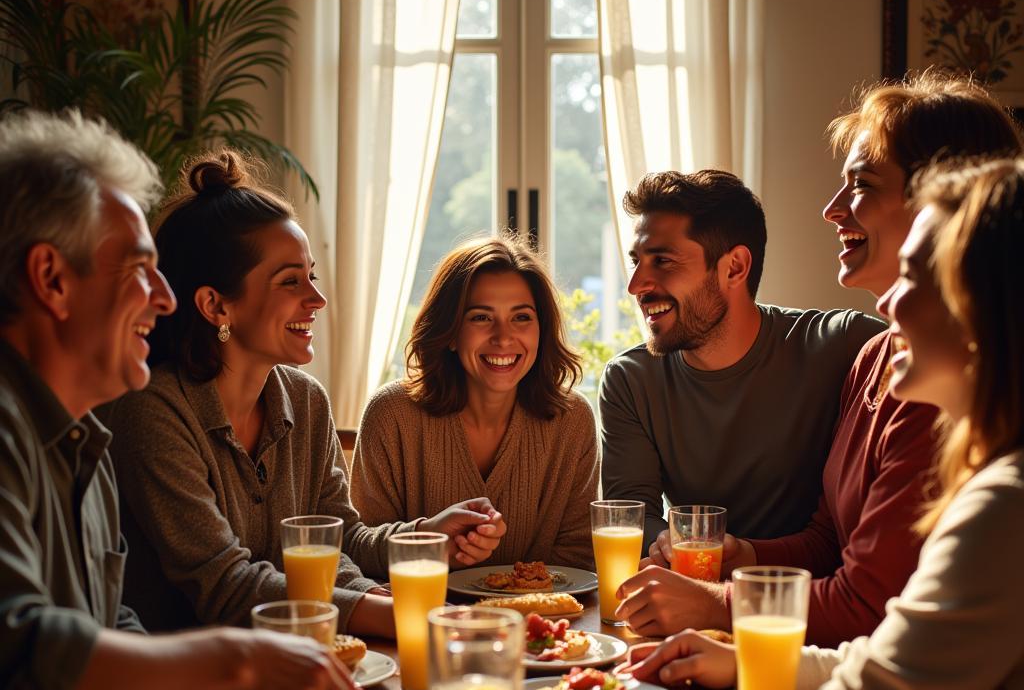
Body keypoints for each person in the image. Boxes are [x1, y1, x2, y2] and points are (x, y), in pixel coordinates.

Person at [625, 157, 1024, 690]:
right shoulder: (977, 468)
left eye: (919, 279)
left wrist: (724, 612)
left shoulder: (1004, 507)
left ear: (984, 307)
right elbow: (888, 654)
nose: (891, 305)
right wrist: (751, 654)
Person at [0, 110, 360, 690]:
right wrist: (239, 662)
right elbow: (23, 665)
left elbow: (117, 623)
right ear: (51, 280)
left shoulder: (83, 433)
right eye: (139, 271)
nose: (163, 299)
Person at [621, 74, 1022, 644]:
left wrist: (716, 603)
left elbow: (866, 604)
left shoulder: (945, 384)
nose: (832, 210)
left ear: (949, 201)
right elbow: (831, 541)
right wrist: (746, 554)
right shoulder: (874, 356)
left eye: (860, 184)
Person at [105, 152, 506, 636]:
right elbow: (225, 585)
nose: (316, 299)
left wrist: (426, 538)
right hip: (190, 685)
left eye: (311, 275)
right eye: (290, 281)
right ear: (215, 305)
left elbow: (341, 539)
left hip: (299, 658)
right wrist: (390, 612)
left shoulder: (305, 399)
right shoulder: (155, 412)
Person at [599, 168, 883, 550]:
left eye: (662, 261)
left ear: (734, 267)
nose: (636, 285)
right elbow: (633, 516)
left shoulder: (845, 346)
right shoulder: (630, 380)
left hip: (809, 597)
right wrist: (672, 544)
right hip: (694, 589)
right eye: (636, 261)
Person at [351, 236, 597, 571]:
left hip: (540, 622)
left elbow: (580, 559)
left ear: (542, 329)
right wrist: (427, 538)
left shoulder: (573, 420)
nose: (504, 337)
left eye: (521, 317)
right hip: (418, 618)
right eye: (481, 317)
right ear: (450, 332)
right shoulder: (392, 414)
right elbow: (357, 550)